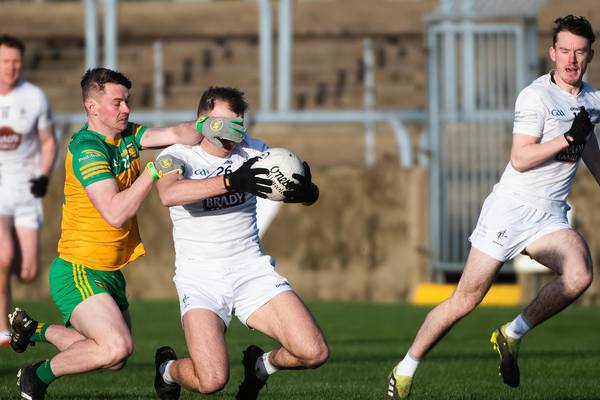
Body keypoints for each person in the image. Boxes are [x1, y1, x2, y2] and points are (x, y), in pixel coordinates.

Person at [387, 15, 599, 398]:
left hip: (550, 213)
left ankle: (511, 333)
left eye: (579, 52)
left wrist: (581, 140)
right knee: (466, 299)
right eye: (564, 51)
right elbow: (520, 158)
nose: (571, 60)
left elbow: (591, 151)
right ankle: (405, 368)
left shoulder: (593, 100)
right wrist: (568, 136)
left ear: (590, 56)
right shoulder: (536, 96)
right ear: (552, 53)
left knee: (579, 276)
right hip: (511, 208)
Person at [7, 67, 241, 400]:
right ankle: (37, 376)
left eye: (127, 102)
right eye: (117, 103)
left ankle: (35, 329)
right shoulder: (87, 147)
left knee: (112, 358)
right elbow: (116, 213)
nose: (126, 109)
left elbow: (178, 132)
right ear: (92, 106)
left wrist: (206, 125)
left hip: (110, 272)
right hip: (78, 269)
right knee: (115, 346)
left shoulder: (128, 135)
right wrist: (152, 173)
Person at [152, 86, 329, 400]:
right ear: (202, 122)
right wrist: (231, 181)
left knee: (313, 352)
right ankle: (167, 369)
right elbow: (169, 194)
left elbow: (287, 184)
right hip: (201, 279)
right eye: (223, 127)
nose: (232, 138)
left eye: (238, 126)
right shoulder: (176, 154)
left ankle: (262, 365)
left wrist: (307, 192)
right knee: (211, 381)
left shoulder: (255, 151)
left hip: (251, 271)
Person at [0, 35, 57, 347]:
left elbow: (48, 142)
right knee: (3, 257)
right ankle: (3, 331)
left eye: (16, 61)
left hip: (26, 190)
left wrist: (44, 176)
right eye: (5, 61)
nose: (11, 67)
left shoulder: (34, 97)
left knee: (27, 272)